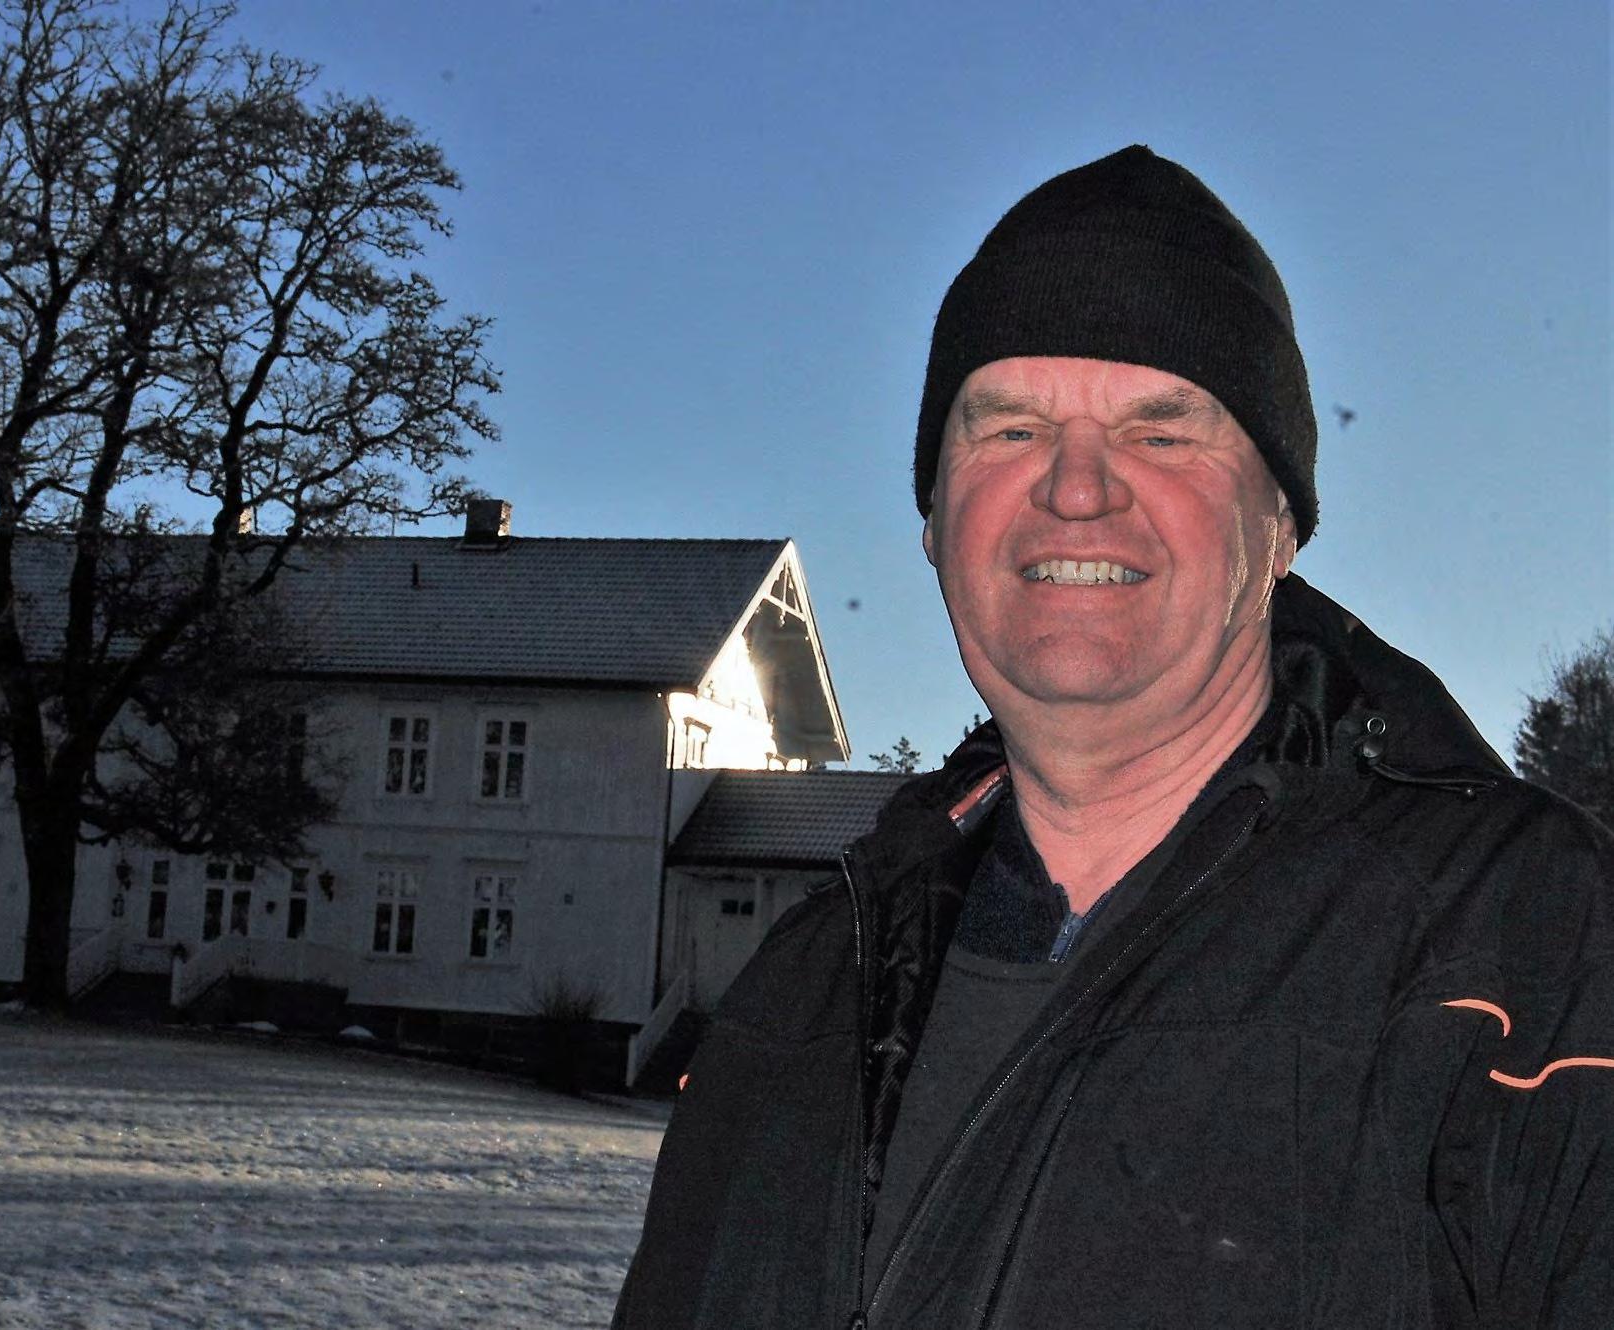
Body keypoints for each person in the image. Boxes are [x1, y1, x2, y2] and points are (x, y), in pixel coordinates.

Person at [614, 145, 1614, 1328]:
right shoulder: (799, 988)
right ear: (934, 521)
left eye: (1160, 431)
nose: (1076, 489)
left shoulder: (1528, 949)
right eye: (1010, 429)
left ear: (1278, 525)